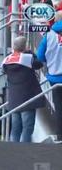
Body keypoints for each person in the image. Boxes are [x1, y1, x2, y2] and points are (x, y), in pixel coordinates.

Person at [2, 36, 44, 142]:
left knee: (15, 129)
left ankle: (13, 153)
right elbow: (39, 64)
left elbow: (3, 71)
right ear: (25, 46)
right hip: (27, 99)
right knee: (27, 129)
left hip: (13, 99)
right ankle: (23, 155)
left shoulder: (6, 60)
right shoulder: (28, 58)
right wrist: (30, 52)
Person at [37, 11, 62, 140]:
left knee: (59, 107)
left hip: (55, 77)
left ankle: (60, 135)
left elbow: (40, 56)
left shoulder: (49, 35)